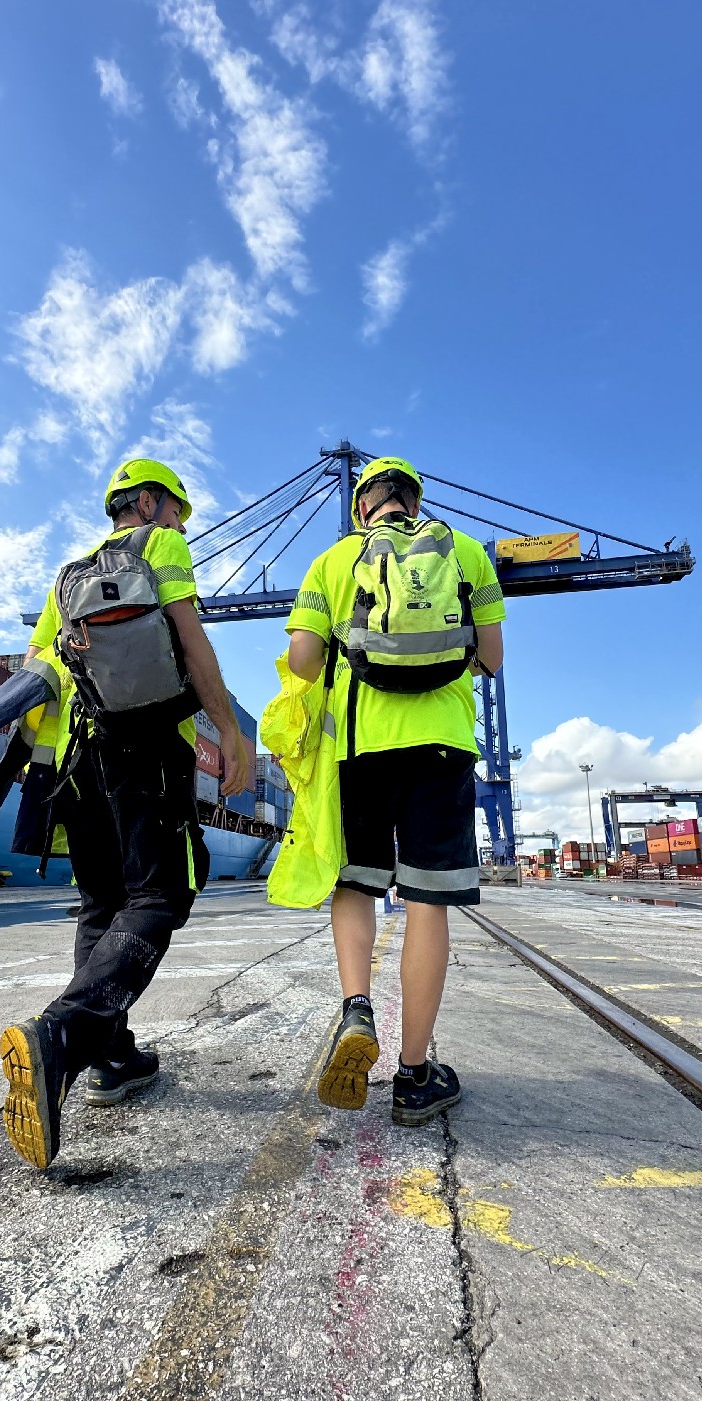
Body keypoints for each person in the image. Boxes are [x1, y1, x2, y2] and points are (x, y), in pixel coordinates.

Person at [0, 458, 247, 1169]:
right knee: (159, 894)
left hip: (75, 760)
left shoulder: (66, 572)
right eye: (176, 510)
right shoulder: (156, 548)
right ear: (145, 502)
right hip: (145, 749)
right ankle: (64, 1032)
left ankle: (113, 1057)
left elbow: (36, 664)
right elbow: (189, 637)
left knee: (100, 903)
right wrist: (226, 730)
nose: (180, 526)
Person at [283, 456, 505, 1125]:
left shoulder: (332, 561)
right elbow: (490, 658)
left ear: (360, 507)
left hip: (358, 750)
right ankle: (414, 1075)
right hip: (440, 749)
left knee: (354, 887)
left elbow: (301, 657)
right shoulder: (465, 553)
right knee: (426, 903)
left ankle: (356, 1011)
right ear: (415, 499)